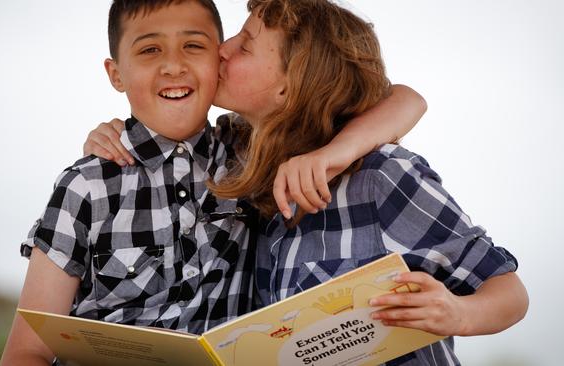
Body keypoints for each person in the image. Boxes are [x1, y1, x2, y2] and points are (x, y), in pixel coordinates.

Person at [87, 0, 529, 365]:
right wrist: (113, 134)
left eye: (246, 46)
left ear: (291, 83)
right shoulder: (239, 161)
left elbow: (509, 292)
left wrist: (458, 313)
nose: (223, 49)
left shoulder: (378, 176)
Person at [1, 0, 425, 365]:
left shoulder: (248, 155)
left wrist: (336, 152)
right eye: (149, 50)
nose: (173, 65)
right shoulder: (86, 186)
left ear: (218, 61)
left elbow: (406, 100)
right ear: (117, 74)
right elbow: (26, 350)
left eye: (194, 46)